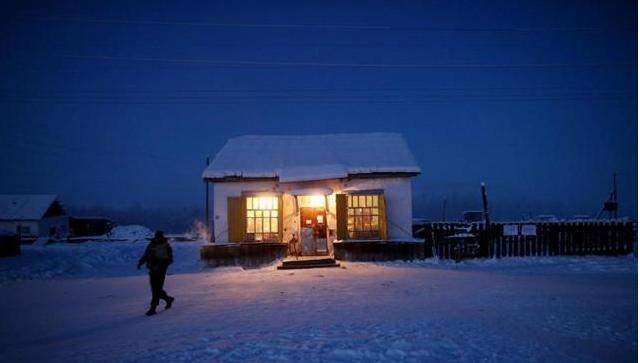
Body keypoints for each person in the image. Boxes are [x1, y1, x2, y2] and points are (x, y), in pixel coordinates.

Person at [137, 231, 175, 316]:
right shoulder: (152, 244)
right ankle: (168, 299)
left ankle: (153, 308)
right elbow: (146, 255)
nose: (157, 238)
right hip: (152, 269)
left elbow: (170, 259)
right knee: (156, 289)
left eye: (158, 236)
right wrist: (141, 262)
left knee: (156, 290)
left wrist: (161, 265)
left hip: (160, 271)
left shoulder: (165, 246)